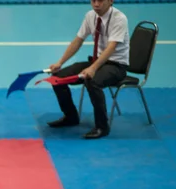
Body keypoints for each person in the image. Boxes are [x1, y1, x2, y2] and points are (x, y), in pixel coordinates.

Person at [47, 0, 129, 139]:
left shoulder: (119, 18)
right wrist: (60, 62)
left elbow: (111, 48)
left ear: (110, 1)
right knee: (58, 78)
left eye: (101, 1)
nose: (96, 4)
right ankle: (71, 117)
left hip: (116, 65)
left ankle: (102, 127)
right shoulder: (90, 16)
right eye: (93, 0)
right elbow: (78, 40)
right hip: (97, 62)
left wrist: (93, 68)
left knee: (92, 81)